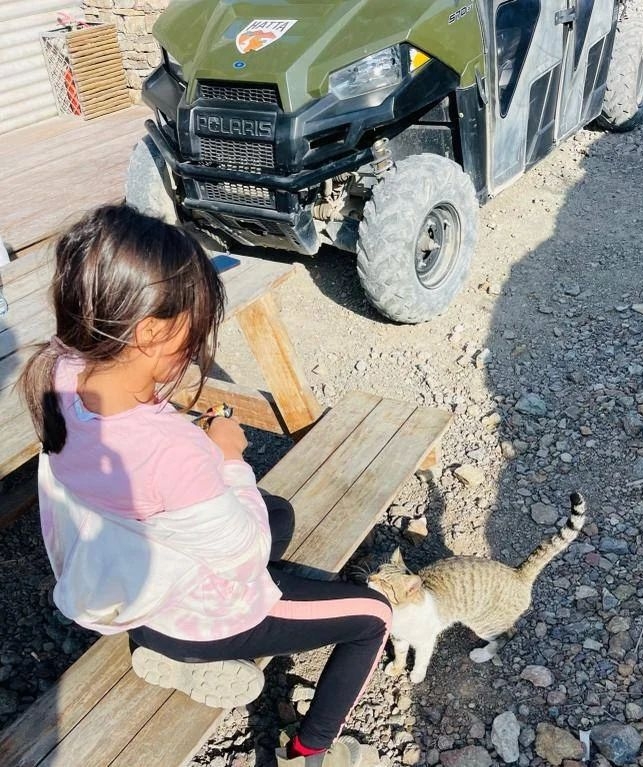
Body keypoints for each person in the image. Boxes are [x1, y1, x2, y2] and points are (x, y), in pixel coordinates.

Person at [19, 204, 391, 767]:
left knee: (280, 515)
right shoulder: (172, 454)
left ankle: (171, 651)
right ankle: (308, 751)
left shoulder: (59, 370)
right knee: (373, 616)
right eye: (189, 329)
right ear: (148, 331)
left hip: (128, 575)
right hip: (191, 617)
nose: (194, 344)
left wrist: (191, 443)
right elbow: (243, 555)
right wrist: (229, 456)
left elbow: (155, 471)